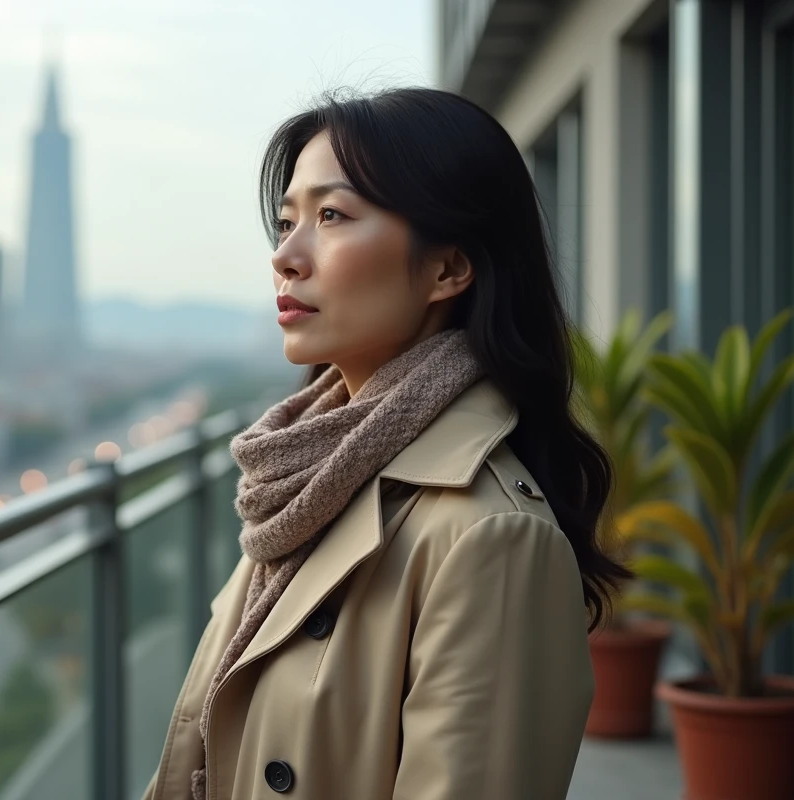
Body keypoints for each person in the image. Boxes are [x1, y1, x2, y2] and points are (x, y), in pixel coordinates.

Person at [142, 87, 629, 800]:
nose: (286, 256)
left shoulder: (489, 538)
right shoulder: (305, 485)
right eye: (286, 221)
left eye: (332, 216)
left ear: (448, 269)